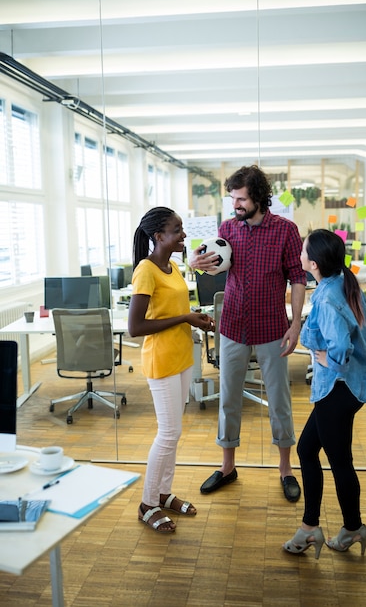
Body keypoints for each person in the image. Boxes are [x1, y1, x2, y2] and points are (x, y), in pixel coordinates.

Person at [190, 165, 306, 502]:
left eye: (240, 198)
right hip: (233, 326)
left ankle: (285, 469)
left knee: (279, 401)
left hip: (271, 326)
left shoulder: (285, 230)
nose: (235, 204)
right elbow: (207, 262)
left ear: (258, 197)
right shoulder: (227, 228)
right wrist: (196, 265)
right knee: (228, 398)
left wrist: (295, 322)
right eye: (232, 198)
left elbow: (297, 277)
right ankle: (228, 467)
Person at [283, 229, 366, 559]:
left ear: (313, 262)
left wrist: (328, 358)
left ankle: (344, 528)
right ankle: (318, 527)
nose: (299, 254)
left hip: (338, 388)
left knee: (339, 462)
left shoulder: (326, 297)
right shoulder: (340, 281)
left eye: (303, 251)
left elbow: (339, 345)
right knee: (308, 450)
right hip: (346, 388)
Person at [128, 206, 214, 533]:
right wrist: (184, 319)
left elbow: (174, 308)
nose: (184, 235)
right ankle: (147, 503)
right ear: (159, 236)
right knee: (168, 433)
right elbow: (135, 326)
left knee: (174, 433)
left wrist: (196, 318)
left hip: (181, 357)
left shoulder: (173, 267)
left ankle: (164, 494)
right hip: (161, 360)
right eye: (177, 230)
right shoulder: (145, 270)